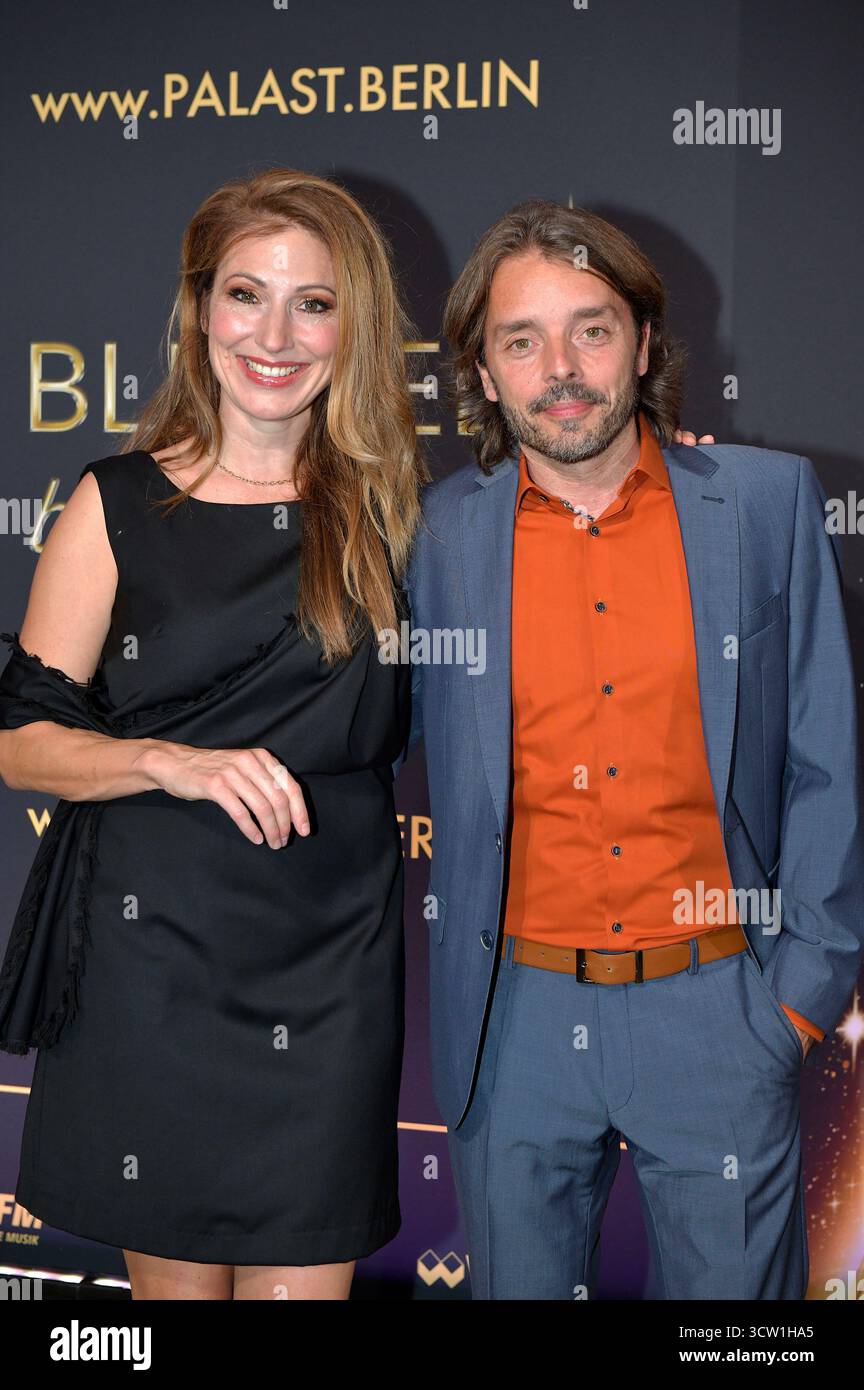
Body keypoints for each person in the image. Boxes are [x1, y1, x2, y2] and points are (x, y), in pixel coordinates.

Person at [401, 198, 864, 1299]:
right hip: (510, 1025)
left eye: (591, 328)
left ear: (645, 341)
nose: (560, 368)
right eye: (522, 340)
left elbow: (826, 763)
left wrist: (796, 1000)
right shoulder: (437, 534)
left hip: (718, 1010)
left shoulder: (762, 503)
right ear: (482, 369)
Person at [0, 167, 427, 1300]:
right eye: (245, 294)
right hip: (157, 959)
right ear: (198, 311)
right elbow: (20, 742)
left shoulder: (396, 512)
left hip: (331, 964)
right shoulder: (115, 502)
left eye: (314, 303)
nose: (274, 334)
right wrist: (163, 760)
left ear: (355, 326)